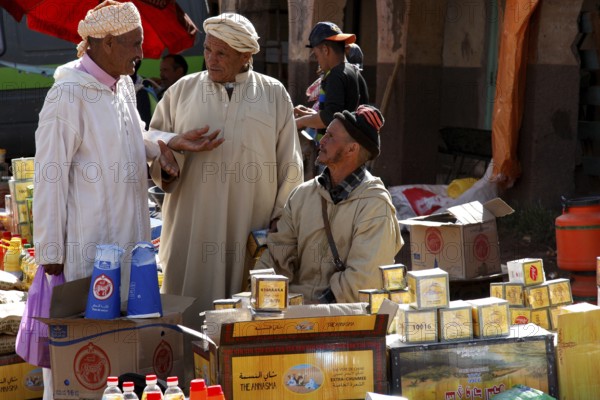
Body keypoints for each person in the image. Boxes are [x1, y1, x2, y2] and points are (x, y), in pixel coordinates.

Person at [32, 3, 217, 398]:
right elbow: (49, 176)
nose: (141, 55)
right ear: (108, 42)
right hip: (86, 248)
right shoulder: (68, 95)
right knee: (81, 354)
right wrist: (50, 251)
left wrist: (168, 143)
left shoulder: (123, 87)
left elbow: (136, 136)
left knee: (123, 354)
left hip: (130, 242)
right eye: (135, 45)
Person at [146, 13, 303, 312]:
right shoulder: (181, 91)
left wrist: (280, 216)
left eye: (221, 53)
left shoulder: (273, 94)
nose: (211, 59)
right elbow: (153, 141)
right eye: (207, 50)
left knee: (244, 310)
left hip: (250, 224)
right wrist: (167, 160)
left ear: (245, 55)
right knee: (187, 311)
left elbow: (290, 163)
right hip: (192, 224)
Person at [254, 105, 403, 303]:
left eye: (330, 137)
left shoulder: (375, 205)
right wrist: (261, 294)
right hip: (295, 309)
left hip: (344, 318)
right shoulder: (302, 195)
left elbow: (363, 280)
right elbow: (277, 255)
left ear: (352, 148)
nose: (321, 141)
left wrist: (313, 310)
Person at [294, 21, 369, 138]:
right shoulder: (353, 72)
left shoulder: (335, 75)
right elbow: (338, 113)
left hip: (337, 147)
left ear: (325, 50)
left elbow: (329, 117)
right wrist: (310, 115)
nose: (317, 61)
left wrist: (299, 122)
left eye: (316, 55)